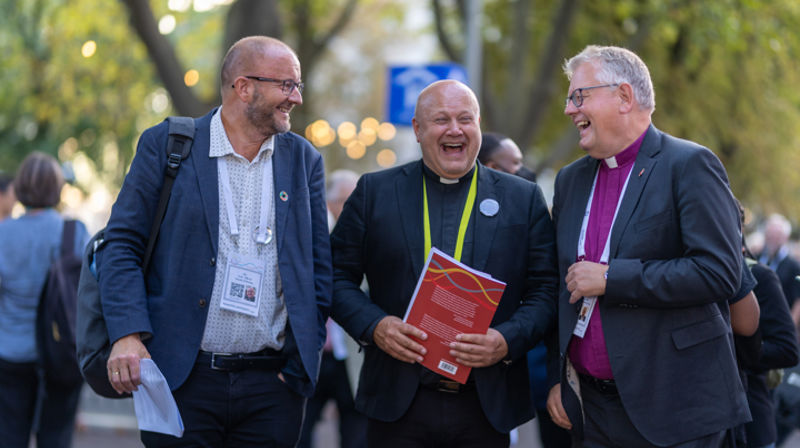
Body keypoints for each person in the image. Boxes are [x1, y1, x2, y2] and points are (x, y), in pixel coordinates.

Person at [98, 36, 331, 447]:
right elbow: (121, 244)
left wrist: (300, 365)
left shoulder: (303, 160)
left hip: (272, 387)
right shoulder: (169, 146)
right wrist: (127, 333)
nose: (295, 98)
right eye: (286, 85)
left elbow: (317, 267)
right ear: (244, 87)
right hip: (181, 378)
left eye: (297, 86)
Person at [331, 79, 558, 447]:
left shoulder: (523, 198)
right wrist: (375, 326)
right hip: (398, 400)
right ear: (418, 130)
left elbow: (546, 290)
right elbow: (335, 276)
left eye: (465, 119)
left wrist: (506, 339)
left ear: (479, 126)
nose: (455, 129)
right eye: (441, 120)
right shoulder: (376, 192)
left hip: (486, 402)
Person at [546, 45, 749, 447]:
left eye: (579, 96)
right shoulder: (570, 180)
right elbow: (560, 286)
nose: (569, 109)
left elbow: (720, 272)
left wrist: (612, 277)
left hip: (676, 409)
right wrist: (561, 379)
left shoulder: (689, 165)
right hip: (593, 410)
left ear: (624, 96)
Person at [0, 152, 90, 447]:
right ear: (57, 187)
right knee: (56, 437)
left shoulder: (3, 232)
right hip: (62, 351)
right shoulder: (74, 231)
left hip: (9, 352)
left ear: (21, 187)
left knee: (9, 436)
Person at [298, 169, 366, 448]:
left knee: (356, 434)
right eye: (343, 200)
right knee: (299, 432)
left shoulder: (368, 240)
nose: (350, 208)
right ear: (328, 202)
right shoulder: (310, 237)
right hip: (314, 356)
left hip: (351, 355)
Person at [757, 213, 800, 326]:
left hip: (779, 324)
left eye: (777, 235)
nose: (772, 238)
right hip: (756, 323)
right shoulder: (756, 258)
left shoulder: (794, 266)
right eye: (769, 234)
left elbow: (798, 301)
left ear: (785, 237)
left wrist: (790, 329)